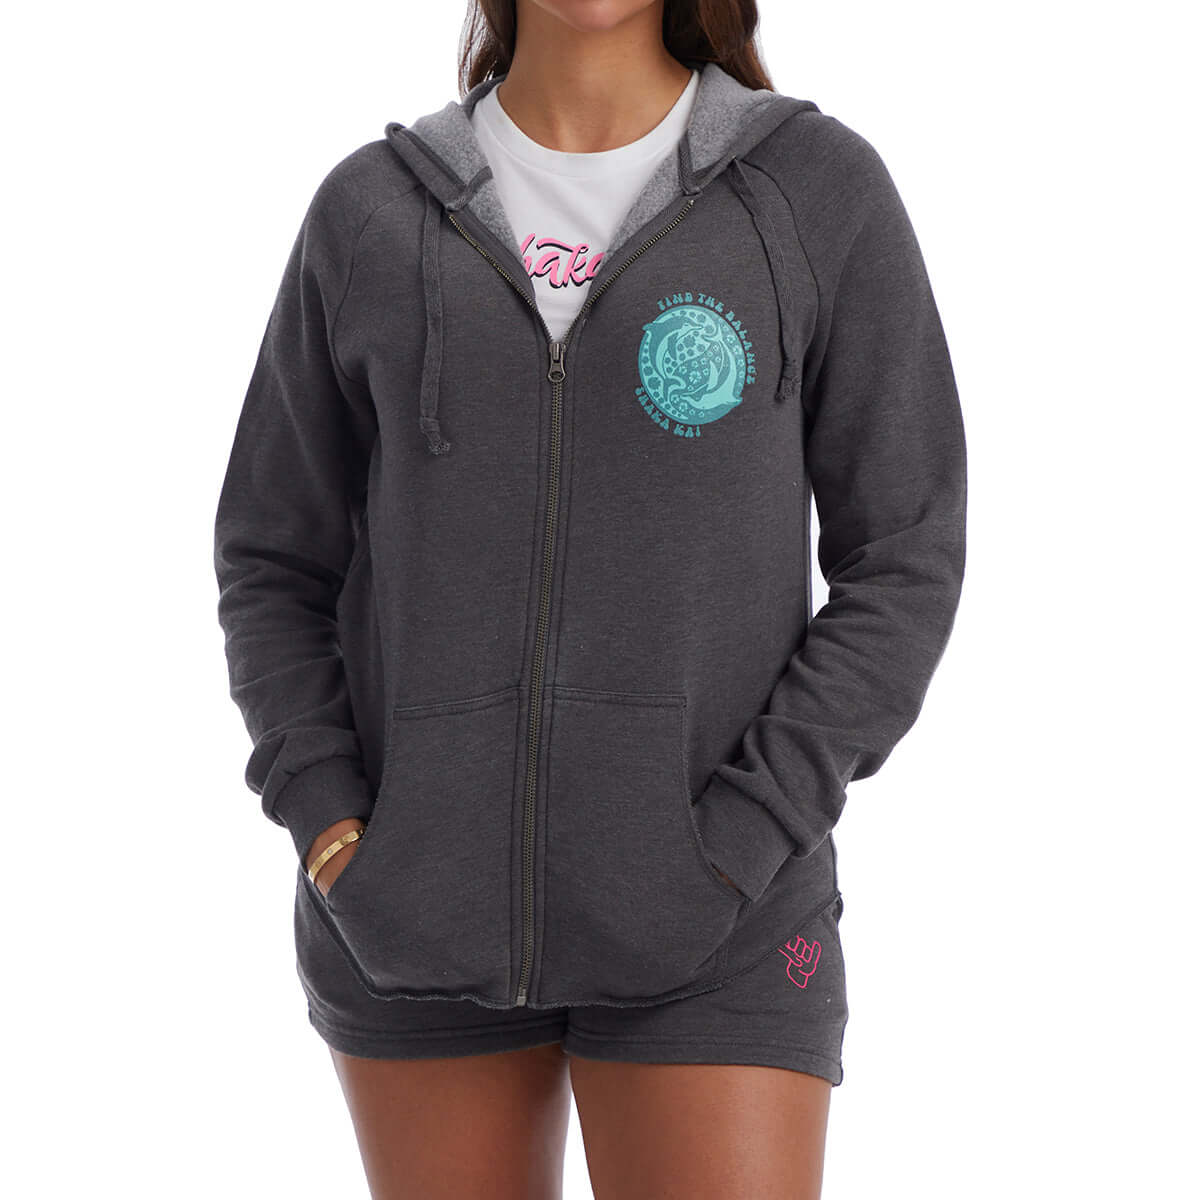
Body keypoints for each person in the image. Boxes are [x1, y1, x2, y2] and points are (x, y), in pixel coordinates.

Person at [212, 1, 967, 1195]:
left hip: (721, 920)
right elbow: (270, 554)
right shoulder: (370, 212)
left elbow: (907, 554)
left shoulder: (815, 193)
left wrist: (743, 838)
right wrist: (335, 827)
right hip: (412, 917)